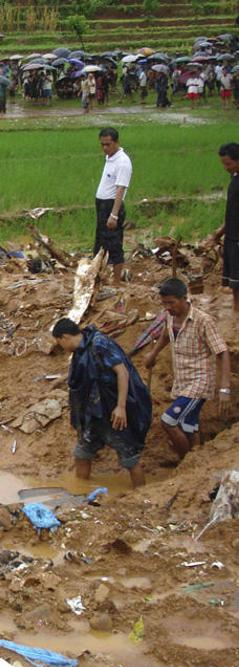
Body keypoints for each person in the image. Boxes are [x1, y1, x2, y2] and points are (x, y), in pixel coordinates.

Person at [52, 319, 151, 488]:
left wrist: (120, 407)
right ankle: (80, 491)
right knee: (82, 453)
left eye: (60, 343)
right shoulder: (81, 351)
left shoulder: (100, 345)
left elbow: (122, 373)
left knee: (129, 457)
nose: (61, 347)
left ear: (65, 337)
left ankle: (141, 495)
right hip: (93, 414)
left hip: (112, 410)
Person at [143, 277, 231, 463]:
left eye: (171, 303)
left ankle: (186, 462)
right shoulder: (169, 315)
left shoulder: (203, 321)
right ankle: (197, 460)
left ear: (184, 298)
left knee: (168, 421)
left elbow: (222, 352)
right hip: (182, 379)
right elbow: (167, 335)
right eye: (164, 303)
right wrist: (153, 353)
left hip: (200, 381)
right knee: (188, 424)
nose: (168, 307)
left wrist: (224, 388)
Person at [93, 127, 132, 285]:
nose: (105, 148)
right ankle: (99, 279)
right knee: (100, 244)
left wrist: (114, 215)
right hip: (102, 205)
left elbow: (120, 189)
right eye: (102, 144)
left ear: (116, 142)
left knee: (114, 243)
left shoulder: (123, 162)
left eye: (108, 144)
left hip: (112, 206)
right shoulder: (110, 158)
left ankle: (117, 282)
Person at [212, 142, 239, 312]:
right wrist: (220, 231)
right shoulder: (234, 178)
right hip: (232, 234)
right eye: (223, 163)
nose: (225, 167)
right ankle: (236, 313)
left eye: (228, 163)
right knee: (234, 283)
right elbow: (233, 211)